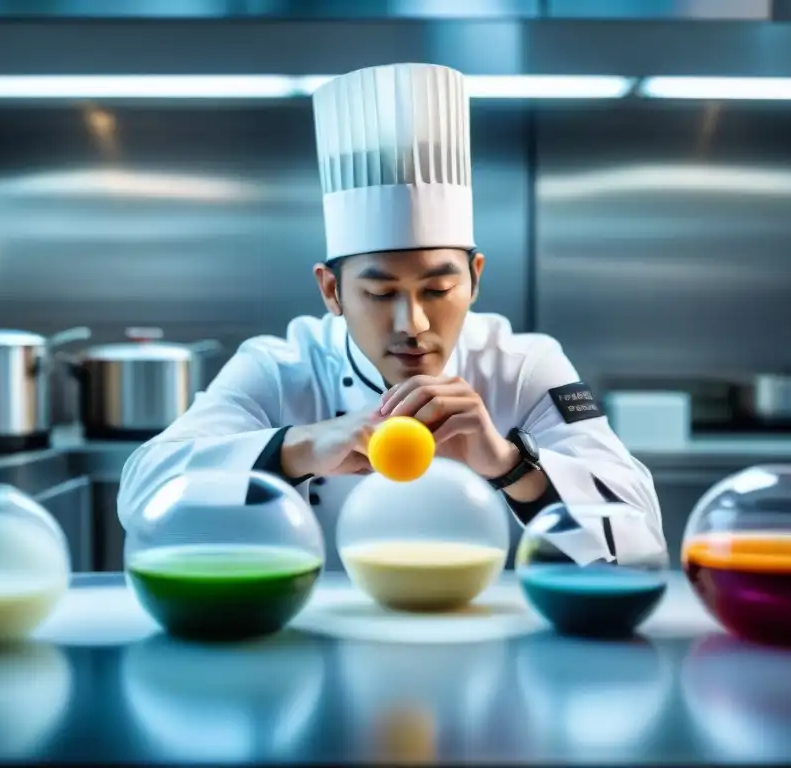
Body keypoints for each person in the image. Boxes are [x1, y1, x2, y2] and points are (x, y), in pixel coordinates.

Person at [117, 62, 666, 564]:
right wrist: (302, 446)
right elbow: (145, 497)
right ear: (331, 291)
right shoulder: (279, 368)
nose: (413, 324)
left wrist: (509, 462)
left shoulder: (524, 366)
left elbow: (642, 544)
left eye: (438, 289)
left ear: (475, 278)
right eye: (380, 295)